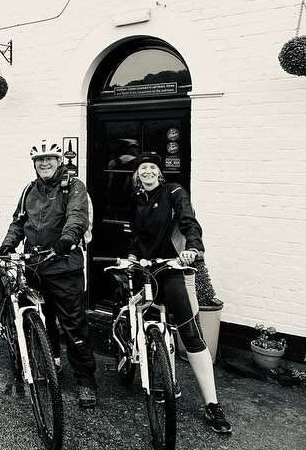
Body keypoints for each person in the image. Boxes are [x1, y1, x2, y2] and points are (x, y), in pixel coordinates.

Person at [127, 152, 232, 434]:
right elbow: (136, 235)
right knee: (152, 327)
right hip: (147, 271)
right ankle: (165, 381)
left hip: (173, 269)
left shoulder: (174, 192)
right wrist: (132, 255)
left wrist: (193, 249)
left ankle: (212, 405)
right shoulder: (137, 198)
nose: (147, 171)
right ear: (138, 174)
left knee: (191, 335)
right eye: (142, 168)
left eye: (152, 167)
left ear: (159, 173)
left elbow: (189, 223)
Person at [0, 140, 99, 408]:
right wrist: (9, 243)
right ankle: (53, 362)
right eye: (39, 160)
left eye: (49, 159)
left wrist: (65, 241)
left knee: (74, 324)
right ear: (34, 165)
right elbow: (19, 221)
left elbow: (77, 218)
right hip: (34, 265)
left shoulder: (73, 187)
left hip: (64, 263)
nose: (44, 163)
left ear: (58, 162)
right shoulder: (29, 190)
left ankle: (86, 381)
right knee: (44, 318)